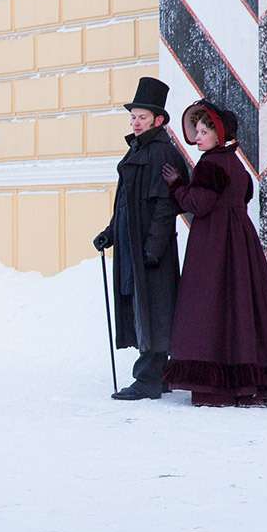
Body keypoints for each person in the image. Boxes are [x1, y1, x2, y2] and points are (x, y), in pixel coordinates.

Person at [161, 101, 267, 406]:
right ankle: (260, 380)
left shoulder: (211, 164)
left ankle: (218, 385)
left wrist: (177, 186)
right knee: (244, 305)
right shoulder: (237, 165)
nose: (198, 136)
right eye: (196, 130)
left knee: (211, 306)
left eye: (204, 130)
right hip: (240, 240)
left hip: (214, 243)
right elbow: (243, 197)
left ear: (219, 134)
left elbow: (199, 204)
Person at [93, 77, 190, 400]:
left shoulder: (162, 153)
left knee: (155, 307)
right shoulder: (139, 150)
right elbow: (125, 201)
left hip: (149, 248)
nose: (135, 123)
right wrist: (110, 232)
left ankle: (149, 378)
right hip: (132, 243)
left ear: (158, 120)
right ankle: (158, 375)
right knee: (143, 305)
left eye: (142, 117)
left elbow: (165, 206)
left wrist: (153, 248)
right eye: (133, 117)